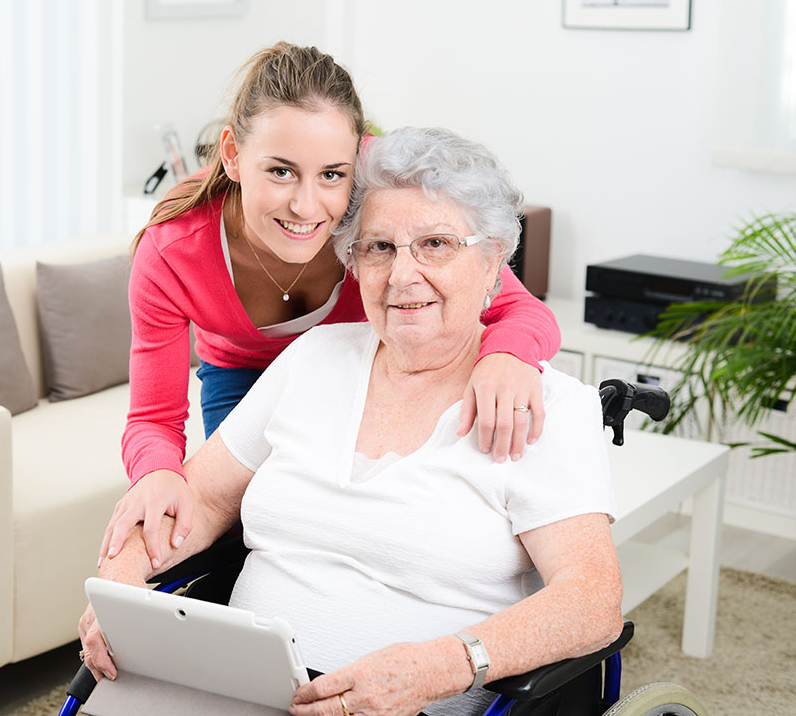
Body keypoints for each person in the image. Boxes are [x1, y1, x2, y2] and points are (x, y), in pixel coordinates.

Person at [80, 127, 622, 716]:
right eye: (379, 248)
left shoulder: (546, 405)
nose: (403, 274)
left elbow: (592, 601)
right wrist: (120, 585)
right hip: (232, 689)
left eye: (436, 244)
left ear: (494, 261)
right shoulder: (313, 357)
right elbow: (201, 501)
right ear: (353, 264)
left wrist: (442, 664)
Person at [103, 43, 562, 569]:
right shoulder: (172, 251)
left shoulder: (377, 200)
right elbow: (153, 417)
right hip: (241, 375)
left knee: (361, 524)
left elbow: (522, 309)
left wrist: (506, 355)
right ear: (232, 154)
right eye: (280, 171)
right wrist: (157, 471)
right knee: (249, 526)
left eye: (331, 175)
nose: (306, 205)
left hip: (357, 369)